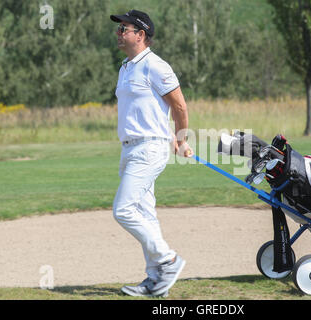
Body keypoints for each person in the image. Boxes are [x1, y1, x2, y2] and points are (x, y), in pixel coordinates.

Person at [110, 9, 193, 297]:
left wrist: (181, 139)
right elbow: (148, 110)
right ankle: (157, 280)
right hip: (131, 148)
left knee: (123, 210)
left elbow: (179, 106)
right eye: (119, 28)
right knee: (144, 213)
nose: (119, 33)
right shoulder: (126, 66)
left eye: (124, 29)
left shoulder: (156, 66)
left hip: (149, 149)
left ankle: (168, 260)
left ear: (141, 35)